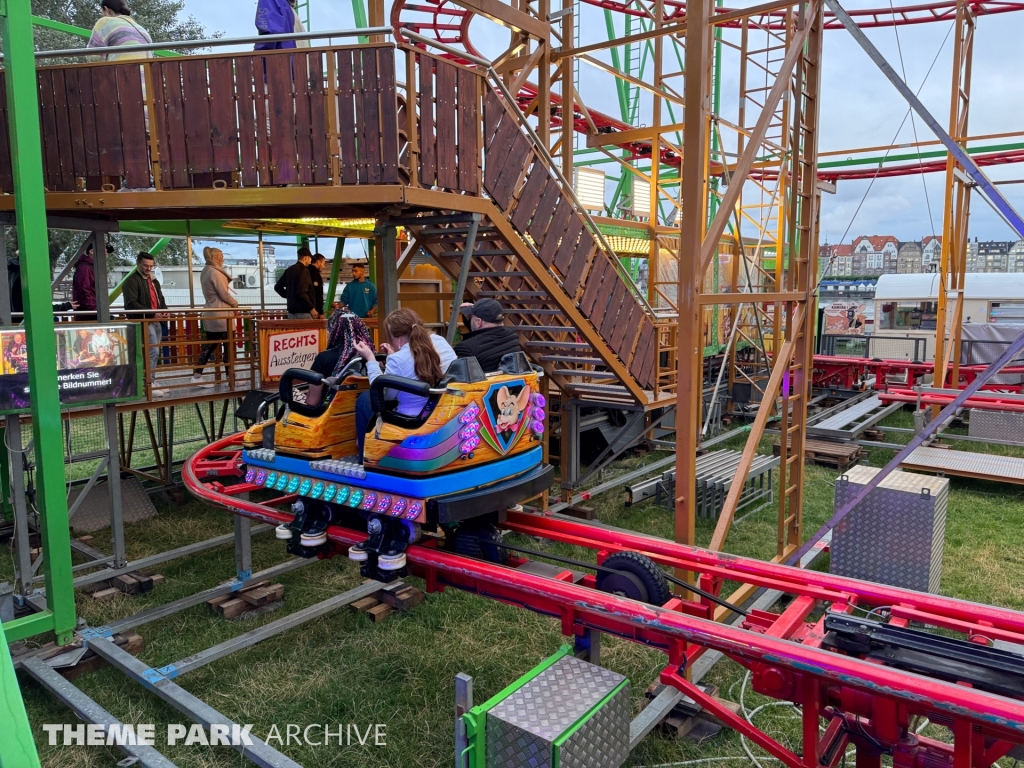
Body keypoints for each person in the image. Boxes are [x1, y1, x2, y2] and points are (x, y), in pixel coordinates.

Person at [352, 308, 456, 457]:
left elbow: (383, 395)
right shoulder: (441, 342)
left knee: (364, 399)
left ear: (399, 339)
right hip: (443, 412)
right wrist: (395, 358)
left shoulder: (397, 360)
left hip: (413, 419)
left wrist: (371, 360)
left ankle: (364, 459)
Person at [123, 252, 169, 396]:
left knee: (154, 352)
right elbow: (131, 304)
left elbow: (160, 298)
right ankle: (147, 383)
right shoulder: (131, 281)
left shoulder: (153, 281)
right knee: (152, 352)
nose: (149, 268)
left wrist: (165, 310)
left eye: (151, 266)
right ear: (137, 263)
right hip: (143, 321)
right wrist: (152, 313)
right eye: (145, 265)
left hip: (154, 320)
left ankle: (151, 381)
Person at [192, 246, 239, 387]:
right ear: (214, 258)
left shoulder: (206, 271)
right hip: (221, 313)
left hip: (211, 312)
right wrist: (235, 304)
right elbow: (224, 294)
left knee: (210, 345)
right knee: (228, 345)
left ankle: (197, 375)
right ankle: (230, 377)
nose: (222, 258)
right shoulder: (215, 273)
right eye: (220, 256)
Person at [453, 298, 522, 372]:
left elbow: (459, 378)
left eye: (472, 317)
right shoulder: (512, 335)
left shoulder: (465, 348)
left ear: (478, 322)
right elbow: (481, 334)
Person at [7, 252, 77, 317]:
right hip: (28, 321)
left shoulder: (12, 271)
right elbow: (38, 306)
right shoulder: (28, 275)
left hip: (14, 319)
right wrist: (65, 306)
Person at [311, 309, 374, 378]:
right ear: (360, 330)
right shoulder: (372, 357)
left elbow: (314, 388)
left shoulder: (323, 358)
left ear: (331, 332)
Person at [87, 0, 153, 61]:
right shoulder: (141, 29)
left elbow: (93, 57)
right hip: (146, 72)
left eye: (102, 12)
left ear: (107, 10)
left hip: (122, 72)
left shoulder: (105, 22)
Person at [274, 247, 319, 320]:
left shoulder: (289, 270)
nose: (310, 261)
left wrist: (290, 295)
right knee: (307, 331)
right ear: (306, 258)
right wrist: (311, 308)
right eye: (310, 258)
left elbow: (277, 287)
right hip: (304, 312)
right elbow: (302, 291)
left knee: (295, 331)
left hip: (291, 312)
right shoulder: (304, 270)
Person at [73, 244, 98, 322]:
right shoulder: (86, 268)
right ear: (91, 251)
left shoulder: (91, 267)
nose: (106, 254)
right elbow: (84, 290)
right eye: (103, 250)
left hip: (91, 311)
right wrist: (94, 308)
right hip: (89, 314)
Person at [308, 253, 326, 318]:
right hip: (314, 311)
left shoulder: (306, 271)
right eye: (323, 264)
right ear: (318, 262)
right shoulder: (315, 274)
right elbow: (317, 294)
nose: (324, 267)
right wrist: (320, 312)